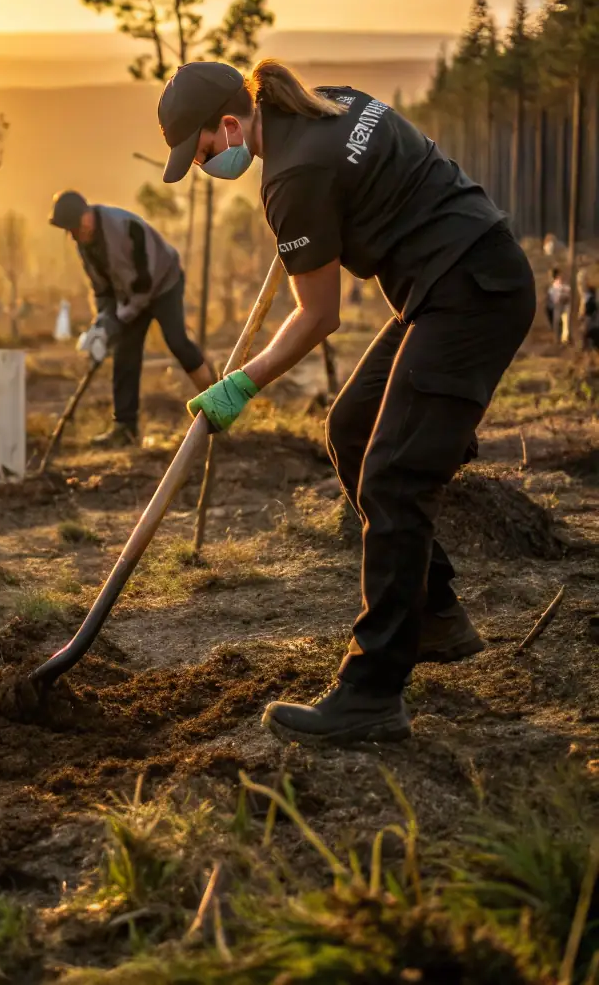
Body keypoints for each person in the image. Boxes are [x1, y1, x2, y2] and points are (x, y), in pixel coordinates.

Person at [159, 58, 536, 747]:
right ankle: (435, 613)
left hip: (470, 291)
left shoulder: (293, 176)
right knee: (353, 429)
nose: (209, 163)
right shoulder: (327, 104)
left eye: (205, 148)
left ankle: (371, 693)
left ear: (232, 122)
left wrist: (240, 383)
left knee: (393, 474)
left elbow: (318, 315)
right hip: (454, 280)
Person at [49, 190, 214, 446]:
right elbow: (102, 290)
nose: (72, 234)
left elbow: (144, 282)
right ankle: (124, 428)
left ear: (86, 216)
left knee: (177, 340)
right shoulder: (85, 245)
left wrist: (120, 317)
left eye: (73, 227)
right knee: (125, 352)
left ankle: (218, 398)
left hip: (163, 282)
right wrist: (102, 326)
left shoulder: (126, 227)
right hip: (132, 295)